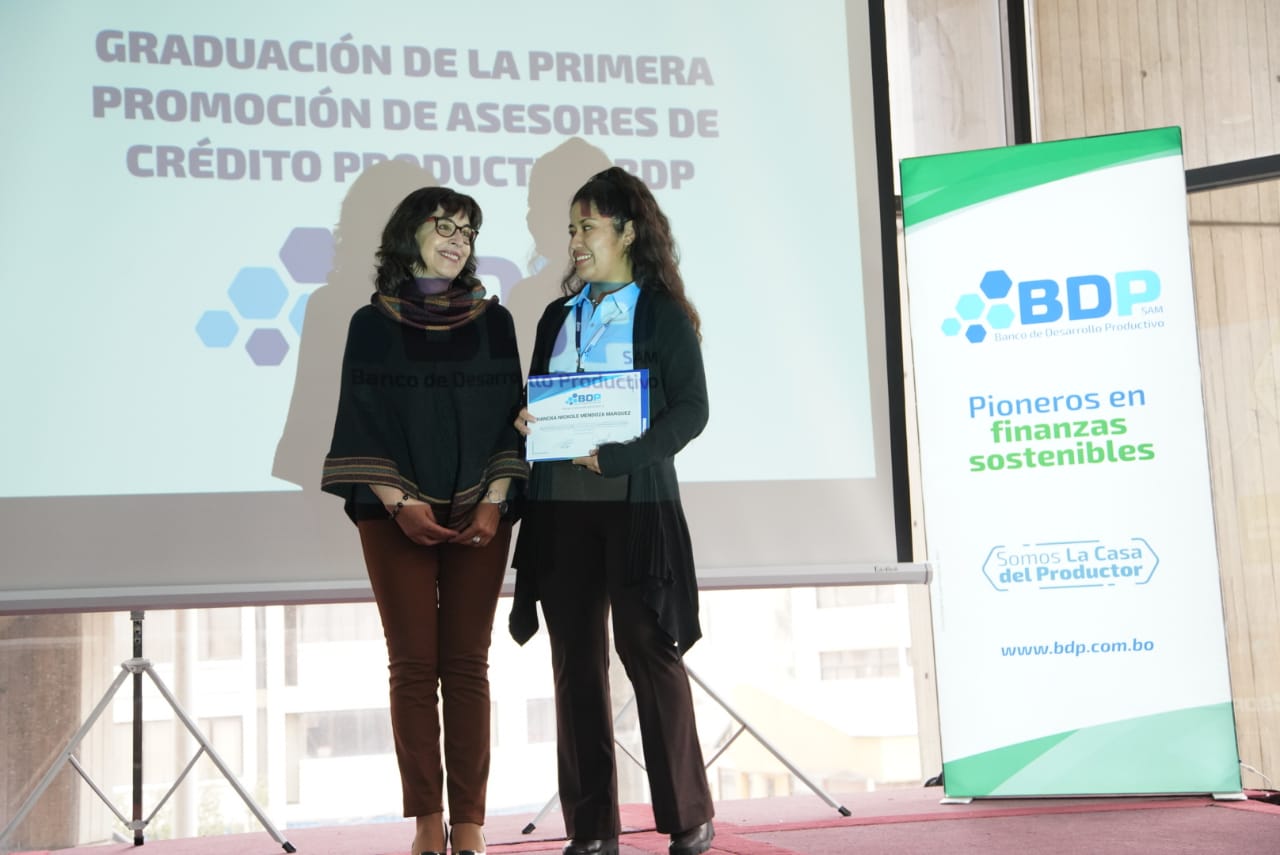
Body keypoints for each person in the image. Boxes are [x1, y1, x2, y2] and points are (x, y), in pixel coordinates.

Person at [510, 167, 715, 855]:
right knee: (576, 662)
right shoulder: (555, 317)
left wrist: (627, 455)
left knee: (646, 649)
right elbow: (540, 404)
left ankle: (688, 814)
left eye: (588, 227)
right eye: (571, 228)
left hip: (635, 504)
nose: (575, 240)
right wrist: (526, 420)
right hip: (558, 509)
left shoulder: (660, 313)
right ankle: (592, 828)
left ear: (628, 232)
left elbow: (692, 409)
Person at [321, 186, 526, 855]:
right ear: (410, 232)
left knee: (467, 664)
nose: (458, 241)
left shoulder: (495, 322)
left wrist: (495, 498)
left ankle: (469, 823)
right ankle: (427, 823)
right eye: (446, 226)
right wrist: (397, 501)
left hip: (481, 510)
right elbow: (360, 419)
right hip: (392, 514)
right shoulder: (370, 323)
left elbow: (510, 419)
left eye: (468, 232)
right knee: (413, 665)